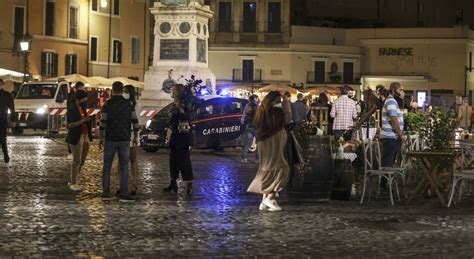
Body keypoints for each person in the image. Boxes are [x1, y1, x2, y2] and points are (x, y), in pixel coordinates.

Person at [248, 91, 289, 211]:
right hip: (273, 142)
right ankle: (269, 197)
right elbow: (286, 120)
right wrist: (285, 105)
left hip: (264, 142)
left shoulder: (261, 111)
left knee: (268, 168)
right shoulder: (276, 112)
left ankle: (264, 200)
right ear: (276, 100)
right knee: (282, 169)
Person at [99, 81, 139, 202]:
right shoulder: (129, 104)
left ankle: (106, 193)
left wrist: (101, 137)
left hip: (110, 138)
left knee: (107, 166)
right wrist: (136, 136)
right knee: (124, 166)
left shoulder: (107, 104)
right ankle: (124, 193)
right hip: (125, 139)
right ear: (122, 90)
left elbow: (103, 122)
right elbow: (135, 121)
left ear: (112, 90)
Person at [163, 84, 194, 195]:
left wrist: (180, 110)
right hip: (175, 136)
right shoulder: (174, 104)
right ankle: (173, 183)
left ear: (178, 92)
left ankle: (189, 185)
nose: (172, 92)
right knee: (173, 161)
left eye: (174, 90)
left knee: (184, 162)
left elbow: (187, 119)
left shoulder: (185, 104)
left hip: (183, 137)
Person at [66, 90, 93, 191]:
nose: (85, 101)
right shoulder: (72, 110)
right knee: (76, 160)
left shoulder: (83, 108)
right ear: (77, 100)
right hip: (76, 136)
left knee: (82, 161)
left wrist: (89, 119)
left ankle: (72, 179)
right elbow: (70, 125)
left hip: (85, 136)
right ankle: (73, 182)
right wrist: (83, 121)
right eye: (83, 100)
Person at [380, 82, 406, 168]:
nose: (402, 92)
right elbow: (394, 119)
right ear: (393, 91)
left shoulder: (394, 101)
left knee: (390, 161)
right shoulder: (391, 101)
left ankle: (387, 180)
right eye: (400, 90)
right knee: (388, 162)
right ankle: (384, 180)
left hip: (393, 136)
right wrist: (400, 134)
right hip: (389, 137)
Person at [123, 85, 140, 195]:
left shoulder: (137, 105)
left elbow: (136, 121)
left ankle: (134, 183)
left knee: (133, 159)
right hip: (123, 134)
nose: (124, 93)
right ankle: (122, 184)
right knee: (122, 161)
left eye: (126, 91)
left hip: (133, 134)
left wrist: (136, 136)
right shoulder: (123, 104)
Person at [66, 81, 85, 159]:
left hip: (79, 116)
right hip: (73, 116)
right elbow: (70, 106)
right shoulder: (72, 96)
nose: (83, 90)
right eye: (82, 88)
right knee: (72, 132)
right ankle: (71, 151)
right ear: (78, 88)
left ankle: (76, 151)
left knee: (77, 133)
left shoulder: (81, 96)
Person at [0, 79, 16, 168]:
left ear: (2, 85)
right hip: (3, 119)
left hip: (2, 120)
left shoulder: (7, 95)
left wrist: (13, 120)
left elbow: (12, 108)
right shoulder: (7, 95)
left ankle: (6, 155)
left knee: (2, 138)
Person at [240, 94, 260, 164]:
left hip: (248, 126)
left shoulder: (247, 106)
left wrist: (243, 123)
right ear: (254, 99)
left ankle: (244, 158)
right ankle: (257, 159)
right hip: (255, 127)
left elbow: (243, 116)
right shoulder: (257, 106)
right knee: (259, 143)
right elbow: (259, 116)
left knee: (248, 143)